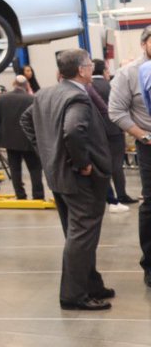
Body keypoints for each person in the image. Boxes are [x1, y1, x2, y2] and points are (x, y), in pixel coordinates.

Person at [21, 48, 113, 311]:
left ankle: (91, 284)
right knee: (82, 235)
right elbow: (73, 131)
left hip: (58, 176)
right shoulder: (77, 97)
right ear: (82, 70)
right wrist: (83, 163)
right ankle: (74, 295)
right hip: (80, 179)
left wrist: (47, 151)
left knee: (79, 235)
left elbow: (25, 120)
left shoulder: (45, 94)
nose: (92, 68)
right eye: (89, 65)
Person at [108, 25, 151, 286]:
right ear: (144, 43)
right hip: (149, 145)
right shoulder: (129, 73)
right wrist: (144, 136)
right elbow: (116, 111)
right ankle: (150, 265)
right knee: (150, 205)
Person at [91, 58, 135, 211]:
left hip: (96, 132)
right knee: (116, 165)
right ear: (104, 70)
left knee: (101, 165)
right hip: (114, 130)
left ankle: (107, 197)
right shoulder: (111, 85)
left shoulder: (87, 86)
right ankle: (121, 195)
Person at [0, 77, 44, 200]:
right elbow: (38, 120)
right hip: (29, 140)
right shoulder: (32, 99)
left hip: (10, 140)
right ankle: (38, 195)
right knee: (35, 169)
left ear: (13, 84)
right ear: (27, 85)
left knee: (15, 169)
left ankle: (20, 195)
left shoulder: (3, 98)